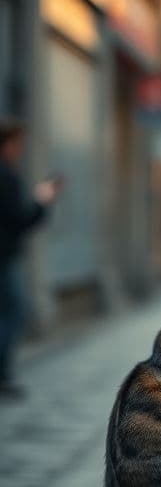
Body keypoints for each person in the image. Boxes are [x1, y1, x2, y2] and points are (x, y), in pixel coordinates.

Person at [0, 118, 61, 399]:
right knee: (14, 311)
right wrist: (41, 200)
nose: (20, 150)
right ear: (8, 144)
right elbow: (19, 221)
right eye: (18, 144)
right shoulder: (6, 176)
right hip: (4, 256)